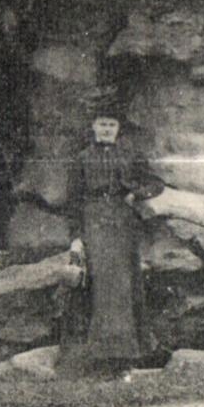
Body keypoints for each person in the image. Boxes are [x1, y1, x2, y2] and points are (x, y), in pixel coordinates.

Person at [68, 107, 165, 370]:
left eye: (112, 124)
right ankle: (99, 356)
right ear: (93, 126)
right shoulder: (83, 158)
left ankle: (129, 355)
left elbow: (156, 184)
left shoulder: (130, 155)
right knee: (101, 284)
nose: (107, 129)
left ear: (119, 128)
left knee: (124, 284)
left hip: (123, 221)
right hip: (94, 220)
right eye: (102, 124)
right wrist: (76, 237)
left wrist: (136, 195)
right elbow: (74, 201)